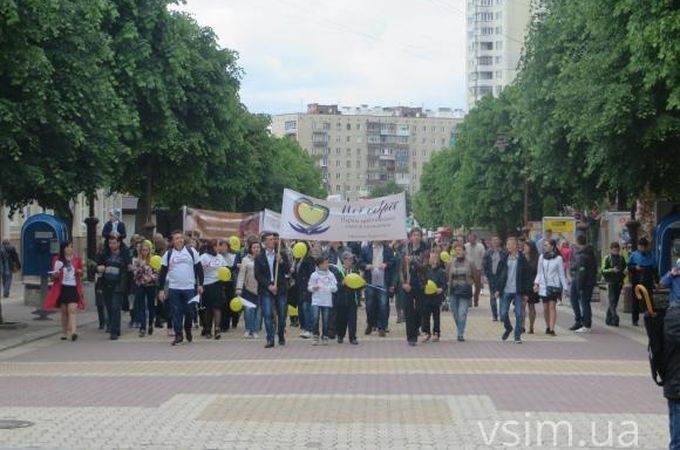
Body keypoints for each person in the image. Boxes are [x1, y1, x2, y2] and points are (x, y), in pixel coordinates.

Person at [157, 231, 204, 346]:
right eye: (177, 238)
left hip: (189, 287)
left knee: (190, 312)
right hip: (174, 288)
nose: (179, 240)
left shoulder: (191, 251)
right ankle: (178, 335)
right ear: (173, 241)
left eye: (181, 238)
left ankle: (187, 329)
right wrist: (161, 290)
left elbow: (199, 268)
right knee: (176, 312)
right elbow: (162, 273)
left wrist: (200, 284)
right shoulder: (168, 254)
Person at [43, 241, 85, 341]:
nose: (70, 249)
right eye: (68, 247)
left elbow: (81, 272)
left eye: (71, 247)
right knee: (64, 312)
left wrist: (79, 271)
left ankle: (74, 332)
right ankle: (64, 332)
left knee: (72, 310)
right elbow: (54, 276)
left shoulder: (76, 259)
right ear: (63, 249)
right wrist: (55, 275)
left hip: (73, 287)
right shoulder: (57, 260)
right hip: (62, 288)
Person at [255, 232, 290, 348]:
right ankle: (270, 339)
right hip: (266, 289)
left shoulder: (281, 254)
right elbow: (258, 275)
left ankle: (281, 334)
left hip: (280, 288)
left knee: (282, 314)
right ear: (264, 242)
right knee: (268, 314)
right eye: (269, 240)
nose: (273, 241)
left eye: (273, 239)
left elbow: (287, 271)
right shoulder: (259, 257)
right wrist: (269, 286)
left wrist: (281, 262)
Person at [97, 233, 133, 341]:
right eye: (110, 243)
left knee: (115, 306)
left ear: (119, 243)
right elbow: (97, 266)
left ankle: (114, 331)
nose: (112, 245)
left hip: (119, 284)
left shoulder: (124, 253)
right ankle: (115, 328)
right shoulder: (104, 253)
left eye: (114, 243)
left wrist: (130, 286)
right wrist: (98, 268)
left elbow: (129, 269)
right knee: (109, 307)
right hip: (106, 284)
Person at [495, 237, 530, 344]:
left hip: (518, 291)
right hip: (506, 290)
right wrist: (497, 289)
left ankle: (517, 336)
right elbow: (499, 274)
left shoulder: (522, 259)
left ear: (515, 245)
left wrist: (526, 293)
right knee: (503, 313)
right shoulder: (504, 258)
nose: (508, 246)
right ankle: (508, 328)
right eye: (507, 244)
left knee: (519, 314)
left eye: (510, 244)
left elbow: (527, 276)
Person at [534, 239, 568, 336]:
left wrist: (565, 287)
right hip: (544, 286)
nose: (545, 247)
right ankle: (548, 326)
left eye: (547, 245)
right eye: (544, 245)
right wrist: (536, 283)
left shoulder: (558, 259)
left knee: (552, 306)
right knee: (545, 308)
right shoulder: (541, 257)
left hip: (554, 286)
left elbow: (561, 274)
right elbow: (539, 272)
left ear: (552, 246)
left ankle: (552, 328)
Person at [360, 240, 394, 337]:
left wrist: (386, 264)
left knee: (383, 304)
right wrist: (366, 266)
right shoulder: (366, 249)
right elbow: (360, 262)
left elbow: (393, 262)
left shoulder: (388, 249)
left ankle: (382, 327)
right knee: (369, 304)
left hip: (383, 279)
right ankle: (370, 323)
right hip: (370, 279)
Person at [401, 228, 429, 346]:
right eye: (414, 235)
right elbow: (401, 269)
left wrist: (412, 261)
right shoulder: (405, 249)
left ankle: (416, 327)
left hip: (420, 283)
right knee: (408, 310)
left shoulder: (425, 250)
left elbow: (424, 267)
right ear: (410, 237)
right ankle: (411, 337)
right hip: (408, 283)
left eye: (418, 235)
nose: (416, 237)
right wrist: (403, 283)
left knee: (420, 309)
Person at [569, 235, 597, 333]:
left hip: (582, 282)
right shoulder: (588, 252)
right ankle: (580, 321)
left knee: (583, 302)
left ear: (577, 242)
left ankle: (585, 324)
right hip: (584, 280)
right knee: (580, 300)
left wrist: (579, 285)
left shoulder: (582, 255)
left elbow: (582, 271)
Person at [199, 239, 227, 340]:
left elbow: (225, 269)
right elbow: (199, 270)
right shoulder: (204, 257)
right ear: (212, 247)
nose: (219, 248)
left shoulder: (220, 257)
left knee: (217, 307)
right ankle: (208, 329)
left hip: (218, 284)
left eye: (219, 246)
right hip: (207, 285)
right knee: (208, 309)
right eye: (217, 246)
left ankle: (217, 329)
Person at [307, 254, 338, 345]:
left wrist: (330, 288)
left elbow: (335, 288)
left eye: (327, 263)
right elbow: (309, 287)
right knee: (315, 318)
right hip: (316, 300)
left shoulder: (331, 275)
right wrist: (313, 288)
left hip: (327, 300)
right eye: (324, 263)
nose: (326, 265)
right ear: (319, 265)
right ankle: (315, 335)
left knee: (326, 319)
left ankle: (325, 335)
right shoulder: (314, 275)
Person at [447, 242, 475, 342]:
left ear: (464, 251)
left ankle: (460, 334)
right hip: (453, 291)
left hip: (465, 291)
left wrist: (475, 296)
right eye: (456, 250)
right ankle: (460, 328)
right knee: (455, 313)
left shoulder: (470, 262)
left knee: (462, 313)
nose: (458, 252)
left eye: (460, 250)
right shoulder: (450, 262)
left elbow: (475, 277)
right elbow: (447, 276)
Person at [331, 251, 360, 345]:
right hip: (341, 299)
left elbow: (359, 284)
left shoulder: (355, 270)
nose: (350, 261)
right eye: (348, 259)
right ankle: (340, 335)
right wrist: (342, 283)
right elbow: (335, 285)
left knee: (352, 319)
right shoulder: (338, 271)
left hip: (352, 299)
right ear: (344, 260)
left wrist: (361, 284)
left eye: (351, 259)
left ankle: (353, 337)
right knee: (341, 319)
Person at [628, 237, 658, 326]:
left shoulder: (652, 256)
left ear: (647, 247)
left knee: (649, 300)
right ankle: (635, 320)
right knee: (635, 301)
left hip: (648, 281)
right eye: (641, 247)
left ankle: (649, 318)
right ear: (638, 246)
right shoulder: (634, 255)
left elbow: (655, 270)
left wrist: (657, 281)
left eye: (644, 247)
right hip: (636, 281)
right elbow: (629, 267)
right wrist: (635, 268)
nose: (643, 249)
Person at [236, 238, 262, 339]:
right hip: (248, 289)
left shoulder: (263, 259)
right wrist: (239, 288)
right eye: (254, 247)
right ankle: (248, 329)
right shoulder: (245, 260)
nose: (256, 249)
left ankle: (255, 330)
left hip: (260, 289)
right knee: (248, 310)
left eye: (258, 247)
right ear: (250, 249)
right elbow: (241, 274)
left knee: (258, 311)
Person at [132, 240, 157, 337]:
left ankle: (150, 324)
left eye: (146, 250)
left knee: (151, 306)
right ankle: (142, 327)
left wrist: (151, 278)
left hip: (151, 285)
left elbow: (157, 272)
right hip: (140, 285)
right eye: (143, 250)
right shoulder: (136, 260)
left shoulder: (153, 260)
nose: (144, 252)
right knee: (141, 306)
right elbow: (135, 274)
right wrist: (140, 268)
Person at [421, 248, 446, 343]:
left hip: (436, 297)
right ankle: (426, 332)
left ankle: (436, 333)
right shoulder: (425, 270)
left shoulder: (441, 272)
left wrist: (441, 289)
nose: (433, 259)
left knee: (436, 316)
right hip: (426, 296)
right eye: (432, 257)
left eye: (435, 258)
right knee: (425, 316)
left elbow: (444, 284)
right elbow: (422, 282)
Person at [601, 242, 627, 327]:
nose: (616, 251)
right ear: (611, 249)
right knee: (612, 300)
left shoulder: (621, 258)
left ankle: (608, 319)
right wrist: (612, 270)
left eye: (617, 249)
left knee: (615, 301)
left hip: (619, 282)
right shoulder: (607, 258)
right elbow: (603, 270)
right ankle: (615, 318)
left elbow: (624, 269)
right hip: (611, 282)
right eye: (614, 249)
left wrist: (624, 273)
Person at [293, 242, 315, 339]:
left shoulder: (309, 260)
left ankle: (309, 329)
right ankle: (304, 327)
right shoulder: (297, 260)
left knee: (306, 307)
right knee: (301, 308)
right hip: (299, 287)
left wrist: (308, 285)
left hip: (307, 287)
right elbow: (296, 274)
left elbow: (311, 273)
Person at [482, 236, 506, 321]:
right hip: (492, 276)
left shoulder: (504, 252)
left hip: (502, 277)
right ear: (491, 242)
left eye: (497, 240)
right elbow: (484, 265)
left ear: (500, 241)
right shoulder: (488, 253)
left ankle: (503, 315)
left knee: (502, 295)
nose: (495, 242)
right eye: (493, 240)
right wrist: (484, 275)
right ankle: (494, 315)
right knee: (492, 296)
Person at [522, 241, 540, 334]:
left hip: (533, 284)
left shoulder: (537, 258)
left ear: (531, 248)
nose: (524, 248)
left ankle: (531, 327)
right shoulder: (521, 257)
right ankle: (522, 326)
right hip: (523, 284)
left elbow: (539, 272)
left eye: (526, 246)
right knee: (522, 306)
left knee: (531, 306)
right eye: (524, 246)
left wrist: (537, 284)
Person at [465, 233, 485, 308]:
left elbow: (483, 257)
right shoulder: (466, 246)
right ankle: (469, 300)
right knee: (468, 286)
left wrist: (482, 268)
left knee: (477, 286)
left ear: (475, 239)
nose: (471, 240)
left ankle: (476, 299)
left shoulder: (480, 246)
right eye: (469, 238)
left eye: (472, 238)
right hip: (468, 269)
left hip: (477, 269)